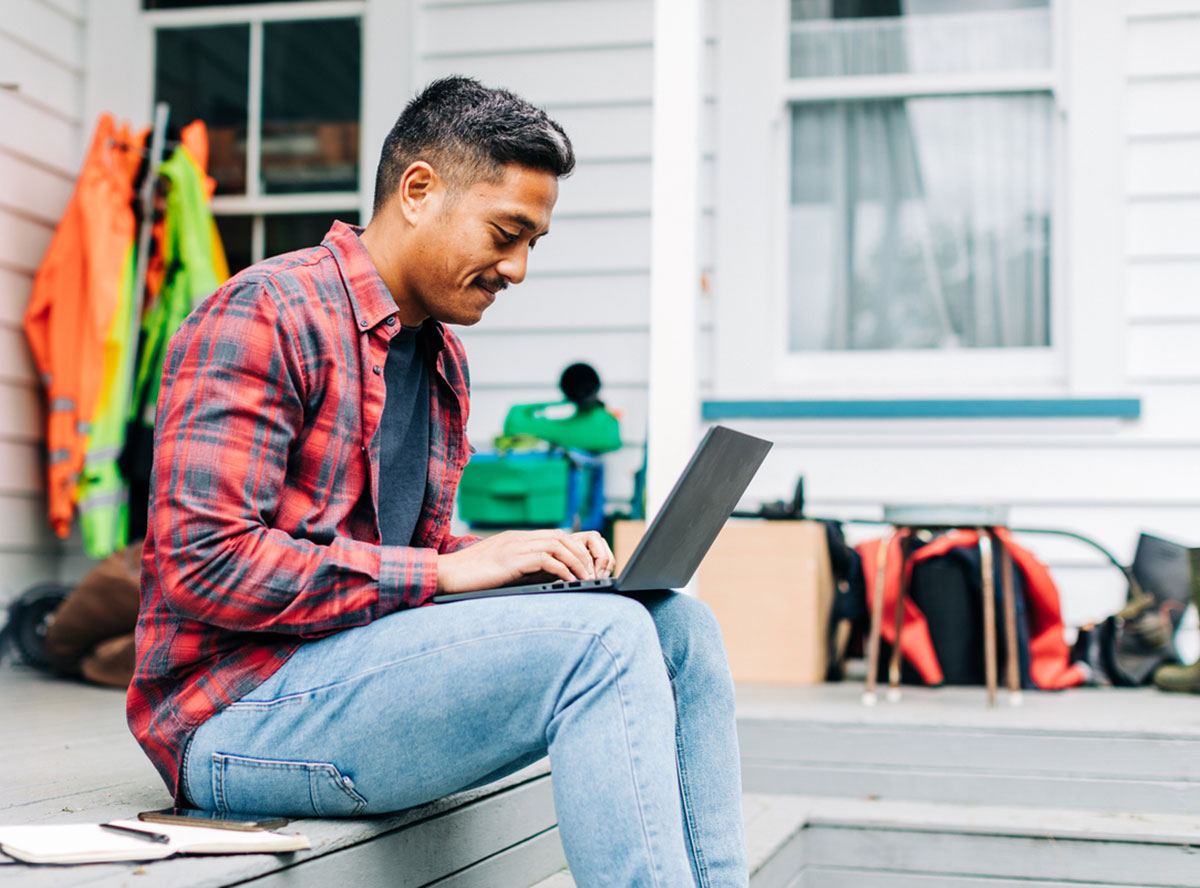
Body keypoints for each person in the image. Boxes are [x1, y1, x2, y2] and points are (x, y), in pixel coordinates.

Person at [128, 76, 747, 887]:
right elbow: (205, 563)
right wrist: (448, 569)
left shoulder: (438, 357)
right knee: (604, 642)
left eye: (535, 243)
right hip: (233, 719)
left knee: (675, 627)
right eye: (506, 232)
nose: (519, 268)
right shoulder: (265, 314)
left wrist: (505, 558)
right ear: (418, 190)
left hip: (350, 676)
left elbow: (387, 558)